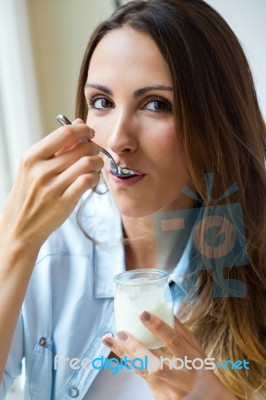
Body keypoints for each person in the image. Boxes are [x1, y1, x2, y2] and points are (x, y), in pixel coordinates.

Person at [0, 0, 265, 399]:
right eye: (102, 102)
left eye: (156, 104)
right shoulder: (52, 245)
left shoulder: (251, 265)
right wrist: (16, 242)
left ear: (216, 125)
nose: (118, 139)